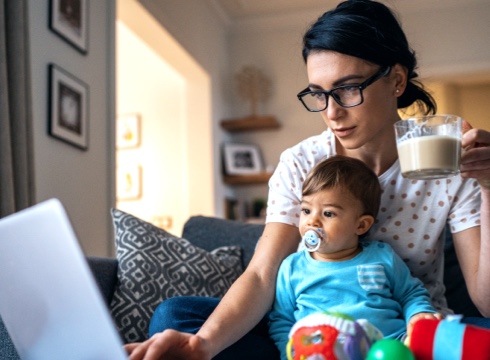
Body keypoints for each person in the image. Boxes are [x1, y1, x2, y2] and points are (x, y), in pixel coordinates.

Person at [125, 1, 490, 359]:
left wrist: (488, 185)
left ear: (396, 80)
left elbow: (486, 302)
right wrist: (201, 345)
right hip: (310, 336)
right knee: (177, 317)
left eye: (348, 88)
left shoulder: (447, 158)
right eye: (319, 93)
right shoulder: (301, 162)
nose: (332, 112)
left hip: (406, 336)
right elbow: (262, 275)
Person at [268, 155, 439, 359]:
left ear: (361, 225)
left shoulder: (382, 257)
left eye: (328, 214)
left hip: (388, 347)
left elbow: (410, 294)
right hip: (324, 352)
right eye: (306, 210)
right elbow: (281, 321)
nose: (312, 221)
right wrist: (291, 353)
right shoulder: (292, 268)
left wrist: (418, 315)